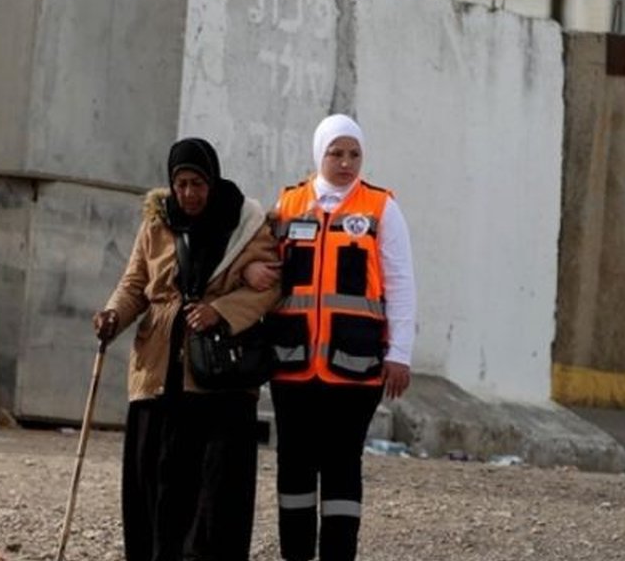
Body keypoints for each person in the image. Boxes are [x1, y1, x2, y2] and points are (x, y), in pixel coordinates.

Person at [93, 138, 281, 561]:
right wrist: (112, 316)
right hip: (159, 378)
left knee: (214, 499)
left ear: (212, 181)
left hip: (220, 383)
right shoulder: (157, 225)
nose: (189, 194)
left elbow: (271, 288)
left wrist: (220, 310)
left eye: (198, 183)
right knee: (154, 487)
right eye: (181, 184)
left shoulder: (246, 225)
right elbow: (135, 285)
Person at [244, 113, 417, 561]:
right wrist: (249, 269)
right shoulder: (287, 205)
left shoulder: (381, 208)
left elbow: (400, 284)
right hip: (293, 362)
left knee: (342, 466)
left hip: (355, 365)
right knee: (294, 465)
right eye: (336, 153)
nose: (345, 162)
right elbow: (259, 259)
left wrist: (400, 353)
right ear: (319, 154)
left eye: (354, 154)